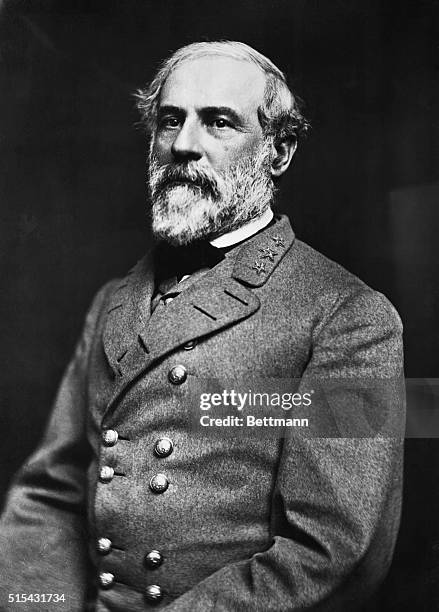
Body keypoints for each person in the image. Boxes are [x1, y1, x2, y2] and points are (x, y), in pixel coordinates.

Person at [0, 41, 404, 611]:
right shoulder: (112, 303)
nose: (184, 145)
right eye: (170, 121)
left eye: (218, 122)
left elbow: (334, 552)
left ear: (279, 151)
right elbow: (51, 494)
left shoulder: (348, 319)